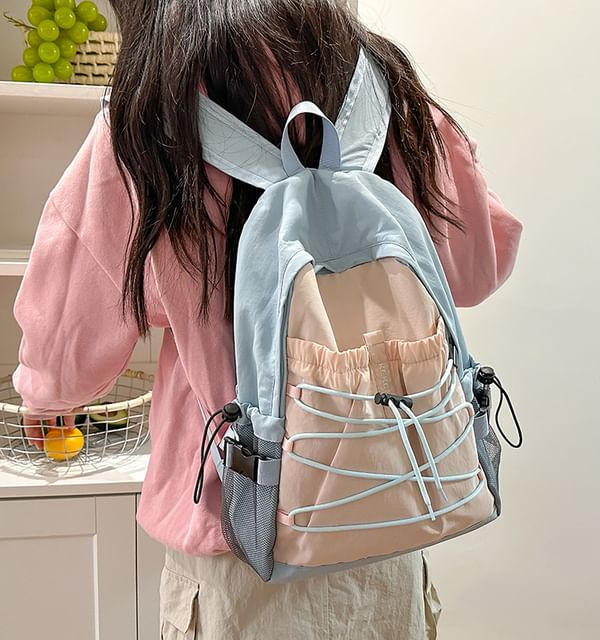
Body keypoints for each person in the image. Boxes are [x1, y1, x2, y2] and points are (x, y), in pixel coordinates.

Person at [12, 1, 522, 638]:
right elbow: (477, 267)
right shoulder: (381, 81)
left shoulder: (152, 112)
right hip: (391, 506)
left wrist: (45, 394)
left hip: (240, 536)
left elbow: (67, 338)